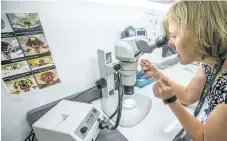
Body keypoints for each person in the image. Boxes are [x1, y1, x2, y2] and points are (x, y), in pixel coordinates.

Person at [140, 1, 227, 141]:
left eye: (174, 36)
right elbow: (188, 96)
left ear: (201, 33)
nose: (169, 44)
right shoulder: (211, 63)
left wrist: (171, 100)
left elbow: (204, 137)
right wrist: (157, 74)